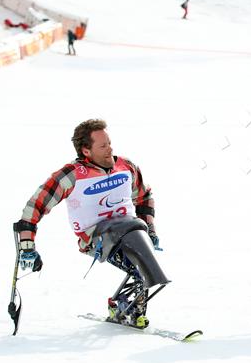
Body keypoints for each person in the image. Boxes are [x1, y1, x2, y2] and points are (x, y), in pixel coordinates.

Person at [14, 119, 167, 329]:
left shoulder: (126, 167)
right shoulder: (72, 175)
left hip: (132, 230)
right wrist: (27, 246)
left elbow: (144, 197)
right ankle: (126, 308)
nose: (110, 149)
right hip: (97, 238)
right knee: (140, 265)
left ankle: (124, 308)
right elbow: (35, 207)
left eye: (110, 143)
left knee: (142, 264)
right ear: (86, 150)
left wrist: (151, 229)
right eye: (103, 146)